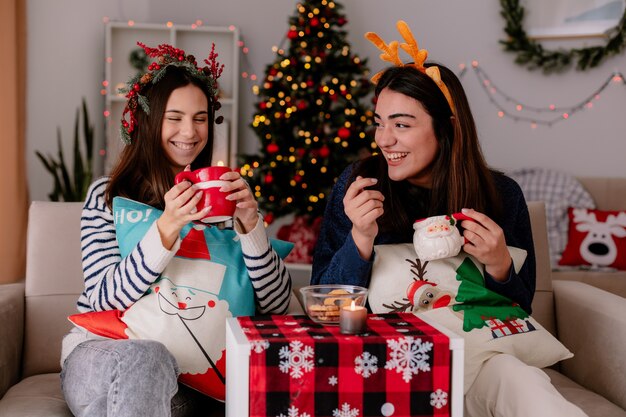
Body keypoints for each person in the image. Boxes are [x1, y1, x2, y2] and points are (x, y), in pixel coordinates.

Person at [311, 21, 587, 417]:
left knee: (521, 380)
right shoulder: (359, 185)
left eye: (402, 125)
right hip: (383, 361)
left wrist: (499, 265)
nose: (384, 139)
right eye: (379, 122)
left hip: (479, 357)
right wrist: (360, 238)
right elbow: (323, 302)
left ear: (448, 129)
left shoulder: (501, 195)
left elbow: (519, 309)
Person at [60, 43, 292, 417]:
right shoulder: (109, 195)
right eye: (175, 117)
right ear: (150, 121)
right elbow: (103, 297)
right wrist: (166, 228)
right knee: (147, 357)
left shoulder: (227, 201)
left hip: (193, 383)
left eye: (201, 118)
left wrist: (251, 228)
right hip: (105, 353)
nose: (190, 131)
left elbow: (278, 308)